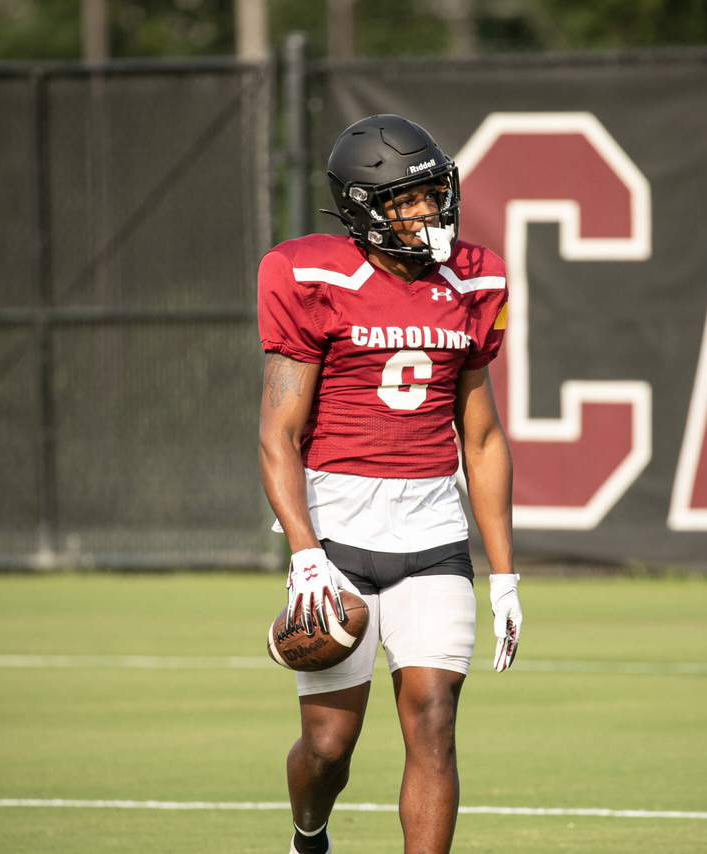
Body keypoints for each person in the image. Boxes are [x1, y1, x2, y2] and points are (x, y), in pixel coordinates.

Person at [257, 113, 522, 854]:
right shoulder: (312, 276)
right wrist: (305, 552)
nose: (427, 212)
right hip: (336, 531)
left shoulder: (474, 276)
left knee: (434, 719)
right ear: (361, 211)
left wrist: (504, 574)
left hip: (434, 530)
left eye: (432, 193)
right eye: (405, 200)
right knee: (328, 748)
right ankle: (309, 835)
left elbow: (483, 435)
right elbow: (277, 432)